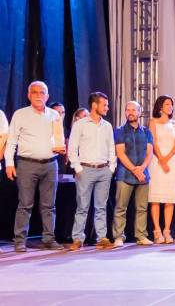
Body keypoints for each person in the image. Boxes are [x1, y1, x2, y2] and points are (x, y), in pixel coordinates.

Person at [4, 81, 66, 252]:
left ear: (47, 96)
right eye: (35, 92)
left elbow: (59, 138)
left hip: (50, 164)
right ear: (28, 95)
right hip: (27, 164)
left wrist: (61, 147)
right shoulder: (20, 114)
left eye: (42, 93)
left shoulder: (54, 115)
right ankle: (20, 241)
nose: (39, 95)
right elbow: (12, 141)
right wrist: (9, 163)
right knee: (25, 204)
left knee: (49, 205)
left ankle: (49, 239)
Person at [68, 92, 116, 251]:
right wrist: (78, 168)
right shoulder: (80, 124)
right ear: (94, 105)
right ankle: (77, 238)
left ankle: (101, 238)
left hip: (104, 170)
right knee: (82, 206)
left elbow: (111, 148)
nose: (107, 108)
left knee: (101, 206)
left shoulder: (107, 126)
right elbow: (72, 148)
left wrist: (111, 168)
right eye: (104, 105)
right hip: (86, 169)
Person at [112, 101, 154, 247]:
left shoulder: (147, 132)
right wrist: (135, 170)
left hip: (143, 175)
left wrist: (142, 169)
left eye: (133, 110)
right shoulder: (120, 131)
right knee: (120, 207)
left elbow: (149, 153)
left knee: (142, 208)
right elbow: (120, 153)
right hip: (125, 175)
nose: (130, 112)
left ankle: (141, 235)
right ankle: (118, 236)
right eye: (127, 110)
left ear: (139, 112)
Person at [148, 95, 175, 244]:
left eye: (171, 104)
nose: (170, 107)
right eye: (167, 104)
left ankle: (167, 230)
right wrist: (161, 159)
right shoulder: (153, 122)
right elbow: (153, 142)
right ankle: (157, 231)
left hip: (171, 163)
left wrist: (166, 159)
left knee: (169, 199)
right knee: (155, 198)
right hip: (156, 162)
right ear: (160, 106)